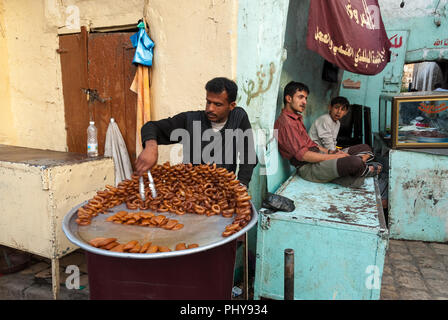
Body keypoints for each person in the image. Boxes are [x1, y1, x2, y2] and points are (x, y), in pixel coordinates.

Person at [135, 77, 257, 187]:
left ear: (231, 106)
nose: (210, 108)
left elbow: (249, 155)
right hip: (191, 192)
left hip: (223, 191)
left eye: (217, 104)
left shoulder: (238, 118)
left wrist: (242, 184)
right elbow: (151, 126)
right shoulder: (190, 120)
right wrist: (151, 146)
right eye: (208, 102)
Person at [274, 81, 381, 187]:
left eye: (305, 98)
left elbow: (312, 144)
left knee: (365, 147)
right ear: (289, 99)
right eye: (300, 97)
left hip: (319, 157)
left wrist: (330, 152)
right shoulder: (286, 123)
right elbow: (304, 156)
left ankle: (356, 172)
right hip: (308, 167)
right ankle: (364, 169)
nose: (305, 102)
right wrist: (335, 156)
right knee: (355, 162)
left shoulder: (296, 119)